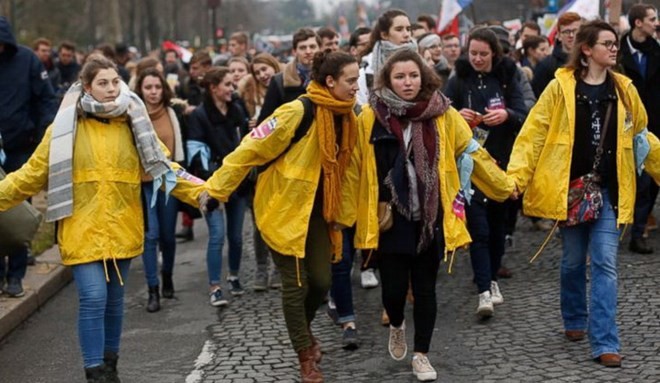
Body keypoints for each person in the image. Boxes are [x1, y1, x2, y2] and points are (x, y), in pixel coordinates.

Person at [0, 54, 202, 381]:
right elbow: (29, 176)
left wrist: (204, 191)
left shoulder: (134, 124)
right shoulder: (64, 129)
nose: (111, 89)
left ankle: (111, 366)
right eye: (102, 83)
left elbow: (166, 171)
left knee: (114, 301)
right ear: (87, 87)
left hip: (123, 227)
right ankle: (93, 371)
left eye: (115, 82)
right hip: (81, 229)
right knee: (94, 296)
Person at [351, 49, 515, 381]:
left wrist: (503, 185)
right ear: (387, 80)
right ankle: (397, 323)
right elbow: (354, 168)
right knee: (394, 291)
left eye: (413, 75)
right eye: (399, 77)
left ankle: (422, 354)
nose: (407, 82)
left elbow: (473, 152)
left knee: (426, 289)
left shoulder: (443, 114)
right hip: (391, 219)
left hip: (429, 219)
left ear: (424, 77)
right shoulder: (371, 116)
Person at [507, 20, 660, 368]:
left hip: (609, 190)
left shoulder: (624, 89)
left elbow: (642, 138)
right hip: (571, 190)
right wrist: (515, 177)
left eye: (614, 43)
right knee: (573, 261)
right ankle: (574, 316)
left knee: (605, 262)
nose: (613, 48)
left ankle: (605, 340)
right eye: (606, 43)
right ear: (587, 49)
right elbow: (533, 134)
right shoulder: (560, 88)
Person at [201, 50, 360, 383]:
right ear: (330, 82)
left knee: (321, 281)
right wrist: (217, 189)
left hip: (319, 212)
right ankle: (305, 356)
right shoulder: (296, 111)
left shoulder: (349, 116)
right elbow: (250, 148)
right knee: (295, 284)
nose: (357, 86)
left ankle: (302, 331)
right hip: (282, 209)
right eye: (351, 80)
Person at [444, 27, 528, 318]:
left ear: (494, 52)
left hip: (501, 162)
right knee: (477, 229)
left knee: (497, 226)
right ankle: (484, 290)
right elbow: (442, 110)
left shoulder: (507, 76)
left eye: (483, 53)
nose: (477, 59)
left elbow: (523, 112)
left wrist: (506, 115)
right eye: (473, 53)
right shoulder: (459, 78)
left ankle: (492, 276)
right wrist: (457, 115)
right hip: (470, 168)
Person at [0, 16, 58, 298]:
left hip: (21, 147)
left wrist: (42, 134)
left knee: (18, 213)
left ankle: (16, 274)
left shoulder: (27, 61)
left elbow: (46, 100)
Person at [187, 66, 249, 306]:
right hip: (212, 184)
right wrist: (211, 185)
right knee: (217, 236)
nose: (232, 89)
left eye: (233, 85)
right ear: (214, 88)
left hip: (238, 181)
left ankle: (233, 275)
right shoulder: (199, 116)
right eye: (227, 85)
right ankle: (215, 286)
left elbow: (246, 141)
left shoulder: (237, 109)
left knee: (236, 236)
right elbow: (196, 152)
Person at [134, 68, 186, 312]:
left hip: (168, 182)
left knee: (167, 235)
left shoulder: (173, 112)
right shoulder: (132, 115)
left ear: (163, 88)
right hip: (143, 185)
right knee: (150, 236)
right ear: (140, 90)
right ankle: (152, 289)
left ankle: (167, 276)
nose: (153, 92)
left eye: (157, 87)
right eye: (148, 87)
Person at [236, 52, 284, 291]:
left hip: (282, 162)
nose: (263, 75)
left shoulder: (286, 89)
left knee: (281, 216)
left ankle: (278, 267)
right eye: (258, 72)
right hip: (258, 164)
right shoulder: (247, 97)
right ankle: (261, 268)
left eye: (266, 69)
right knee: (259, 221)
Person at [619, 3, 660, 254]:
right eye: (652, 19)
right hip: (624, 126)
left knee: (648, 182)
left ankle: (638, 231)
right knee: (627, 178)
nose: (656, 23)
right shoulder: (619, 52)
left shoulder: (657, 52)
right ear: (638, 23)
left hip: (654, 126)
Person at [257, 28, 320, 124]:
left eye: (312, 47)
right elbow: (266, 121)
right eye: (302, 48)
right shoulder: (279, 81)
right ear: (294, 51)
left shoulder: (330, 78)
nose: (308, 51)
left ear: (319, 49)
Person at [356, 8, 416, 107]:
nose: (406, 34)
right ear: (384, 35)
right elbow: (361, 105)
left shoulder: (420, 61)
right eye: (399, 29)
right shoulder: (367, 70)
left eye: (408, 29)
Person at [532, 12, 582, 97]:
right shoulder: (546, 65)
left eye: (575, 31)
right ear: (558, 35)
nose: (571, 35)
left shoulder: (589, 62)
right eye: (567, 32)